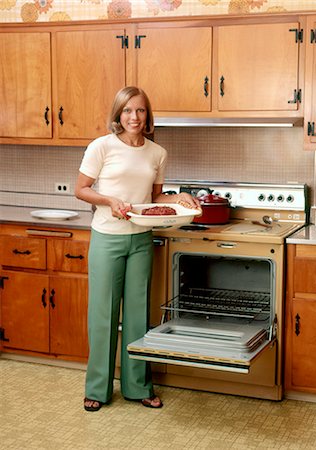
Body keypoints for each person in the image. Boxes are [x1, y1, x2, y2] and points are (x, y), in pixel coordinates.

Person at [75, 86, 200, 412]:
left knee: (137, 316)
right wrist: (110, 201)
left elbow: (153, 197)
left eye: (140, 110)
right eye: (128, 110)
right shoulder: (101, 147)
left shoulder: (157, 153)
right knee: (103, 316)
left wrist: (178, 198)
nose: (134, 117)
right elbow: (81, 190)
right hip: (107, 237)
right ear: (118, 114)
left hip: (141, 239)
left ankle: (138, 386)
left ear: (148, 115)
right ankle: (97, 388)